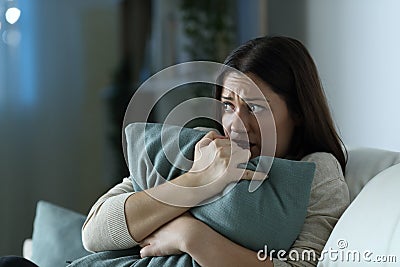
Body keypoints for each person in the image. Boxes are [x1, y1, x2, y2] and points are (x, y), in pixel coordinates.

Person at [0, 36, 350, 267]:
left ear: (299, 112)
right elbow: (94, 234)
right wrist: (199, 180)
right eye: (228, 105)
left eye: (255, 108)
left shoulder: (318, 174)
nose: (236, 125)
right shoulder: (201, 147)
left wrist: (190, 236)